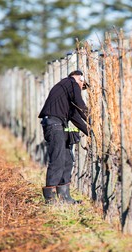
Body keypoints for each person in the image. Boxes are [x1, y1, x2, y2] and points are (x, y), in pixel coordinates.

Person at [38, 70, 89, 204]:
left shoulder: (66, 93)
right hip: (54, 124)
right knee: (58, 159)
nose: (82, 89)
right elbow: (79, 104)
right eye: (83, 85)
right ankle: (50, 197)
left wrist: (91, 130)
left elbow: (74, 116)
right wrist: (91, 116)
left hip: (60, 124)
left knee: (67, 159)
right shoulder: (70, 82)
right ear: (79, 78)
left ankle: (64, 197)